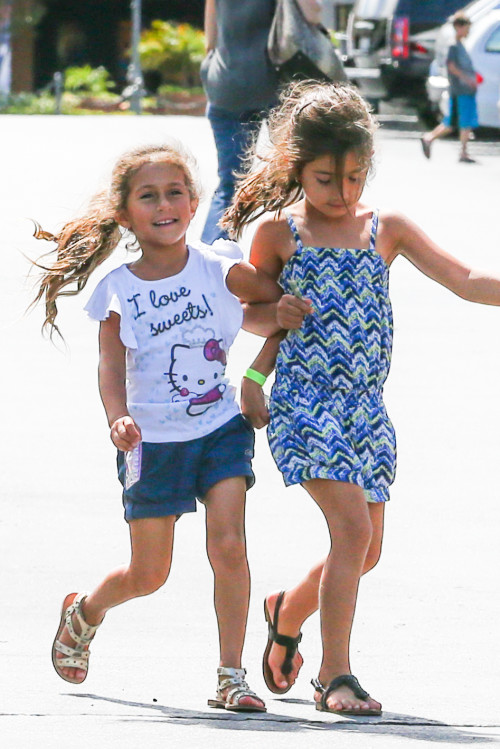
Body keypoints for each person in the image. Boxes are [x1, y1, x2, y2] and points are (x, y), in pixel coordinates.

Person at [221, 80, 500, 715]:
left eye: (353, 178)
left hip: (366, 410)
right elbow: (247, 312)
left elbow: (463, 278)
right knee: (350, 532)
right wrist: (274, 318)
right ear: (297, 168)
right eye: (325, 179)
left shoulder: (385, 229)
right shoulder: (279, 233)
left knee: (367, 550)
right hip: (303, 403)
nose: (341, 193)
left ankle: (286, 611)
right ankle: (335, 676)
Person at [30, 142, 284, 712]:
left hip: (220, 428)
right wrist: (116, 416)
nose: (164, 205)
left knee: (229, 546)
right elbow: (109, 365)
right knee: (150, 573)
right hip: (150, 443)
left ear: (193, 203)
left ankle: (230, 675)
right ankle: (86, 612)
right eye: (149, 196)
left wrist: (255, 369)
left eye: (175, 193)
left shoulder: (219, 268)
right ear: (125, 214)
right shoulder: (118, 289)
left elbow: (274, 307)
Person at [200, 0, 323, 244]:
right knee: (293, 176)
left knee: (230, 183)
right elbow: (313, 14)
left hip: (226, 83)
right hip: (276, 84)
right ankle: (296, 250)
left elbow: (210, 42)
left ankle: (212, 255)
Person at [421, 11, 479, 163]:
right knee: (458, 121)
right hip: (459, 90)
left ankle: (461, 150)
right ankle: (459, 150)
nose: (468, 31)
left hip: (465, 90)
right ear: (459, 27)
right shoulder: (453, 46)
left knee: (459, 121)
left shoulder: (460, 45)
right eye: (466, 28)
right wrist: (467, 79)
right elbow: (451, 66)